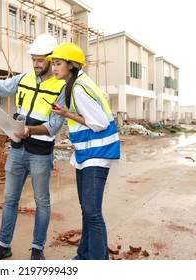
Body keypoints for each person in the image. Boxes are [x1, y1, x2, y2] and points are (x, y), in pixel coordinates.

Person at [0, 33, 66, 260]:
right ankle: (3, 245)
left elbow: (54, 125)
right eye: (33, 59)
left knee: (42, 203)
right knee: (10, 200)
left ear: (52, 59)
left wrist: (31, 130)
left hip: (41, 154)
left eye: (40, 60)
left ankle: (37, 249)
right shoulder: (23, 78)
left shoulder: (61, 87)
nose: (35, 64)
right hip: (17, 150)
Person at [45, 42, 120, 260]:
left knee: (92, 213)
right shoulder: (76, 83)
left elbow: (98, 123)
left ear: (71, 65)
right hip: (86, 154)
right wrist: (66, 112)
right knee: (87, 210)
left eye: (58, 64)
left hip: (97, 154)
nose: (55, 68)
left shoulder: (78, 88)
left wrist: (67, 115)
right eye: (54, 64)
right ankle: (84, 255)